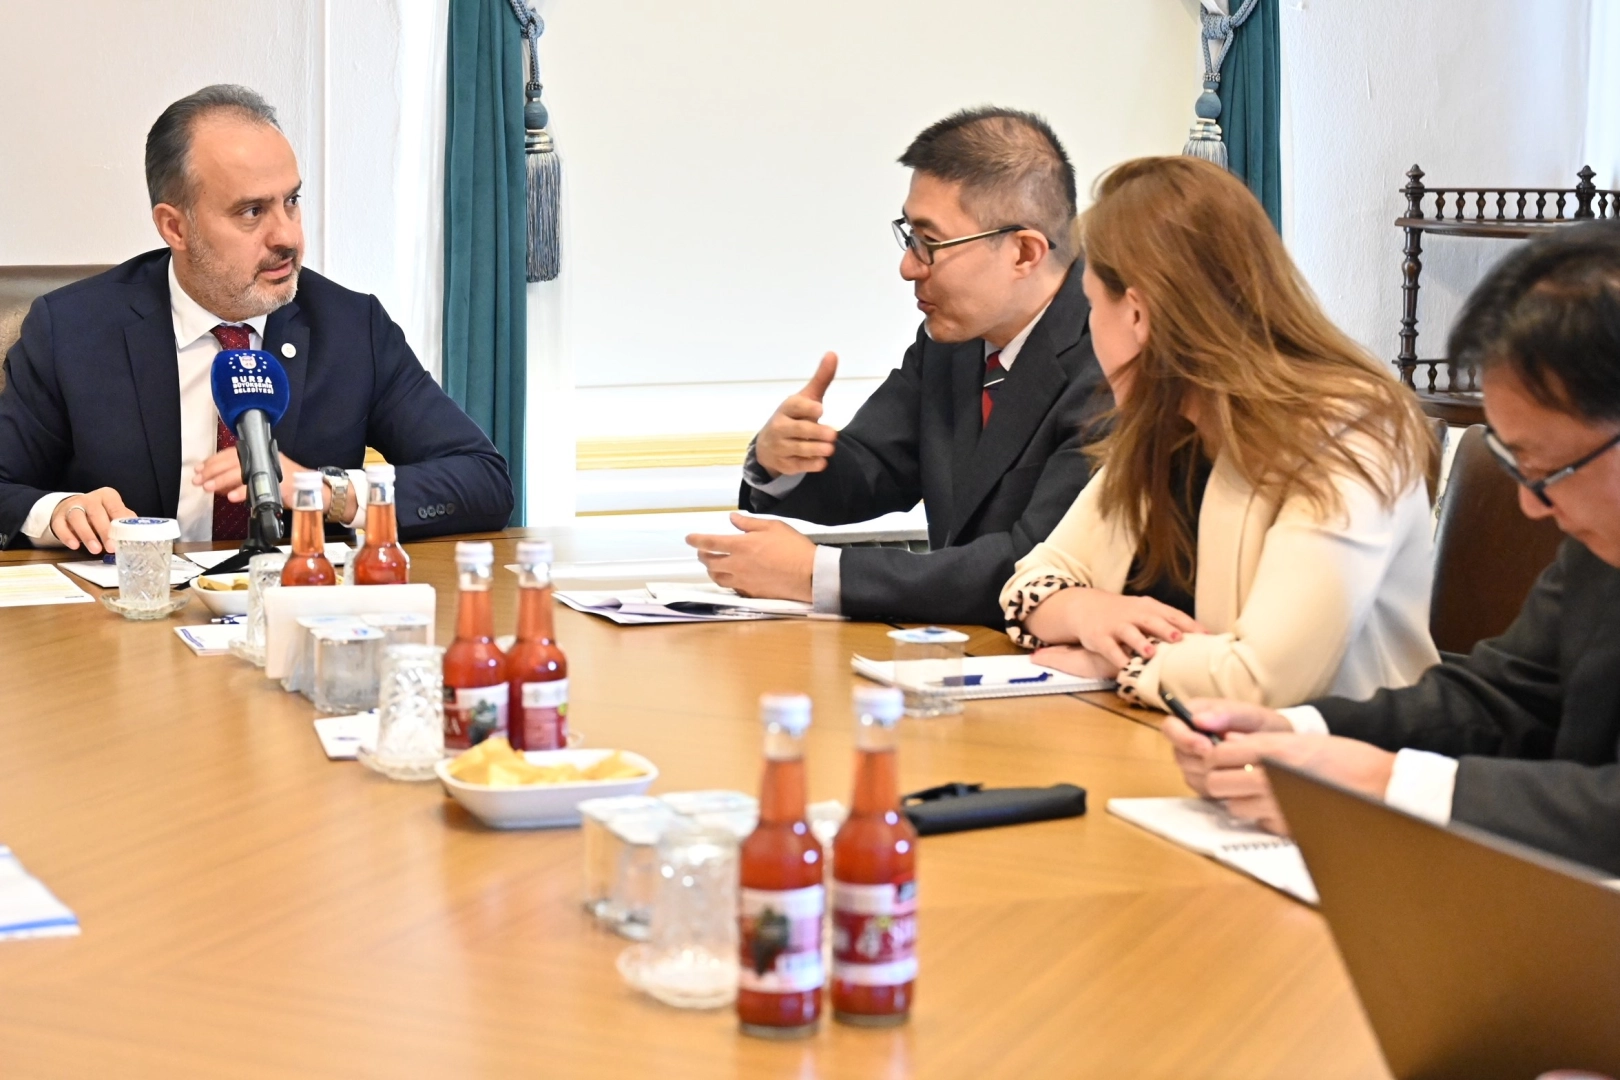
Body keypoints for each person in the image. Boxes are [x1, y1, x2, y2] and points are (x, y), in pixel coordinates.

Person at [1163, 221, 1620, 876]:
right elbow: (1505, 699)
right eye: (1516, 464)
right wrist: (1298, 731)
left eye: (1548, 469)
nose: (1532, 506)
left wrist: (1386, 784)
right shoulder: (1598, 543)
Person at [1000, 156, 1439, 708]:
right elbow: (1032, 581)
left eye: (1091, 305)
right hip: (1176, 743)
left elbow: (1263, 681)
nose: (1089, 328)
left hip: (1330, 755)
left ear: (1137, 315)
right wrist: (1087, 612)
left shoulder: (1350, 434)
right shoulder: (1171, 425)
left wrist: (1118, 664)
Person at [0, 85, 513, 553]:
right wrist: (58, 512)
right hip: (132, 610)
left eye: (291, 201)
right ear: (175, 227)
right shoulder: (72, 330)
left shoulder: (352, 328)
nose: (286, 236)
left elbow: (482, 479)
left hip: (297, 608)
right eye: (251, 212)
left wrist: (325, 491)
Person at [685, 107, 1109, 626]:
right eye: (910, 236)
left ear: (1024, 252)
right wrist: (781, 461)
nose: (908, 266)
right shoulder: (953, 340)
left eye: (931, 243)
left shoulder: (1114, 359)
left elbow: (1033, 566)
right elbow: (875, 468)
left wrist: (815, 574)